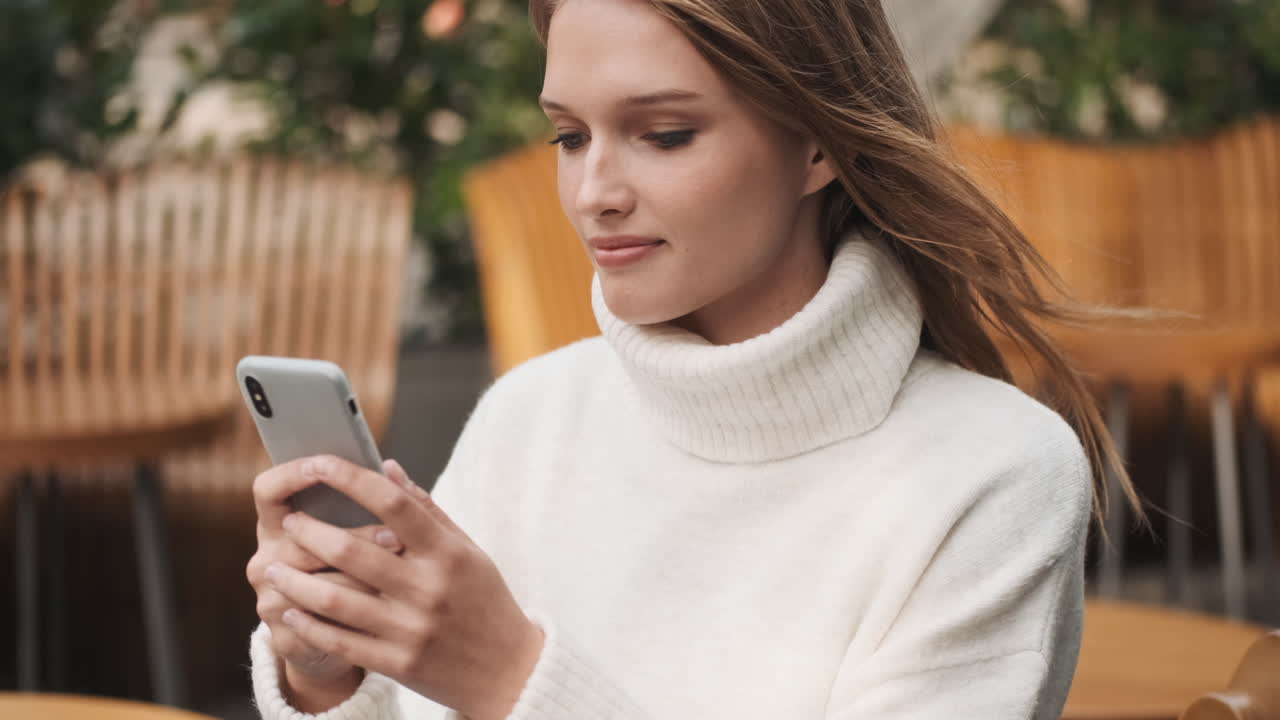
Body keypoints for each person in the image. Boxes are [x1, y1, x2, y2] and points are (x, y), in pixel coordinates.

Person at [245, 1, 1143, 718]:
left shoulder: (993, 475)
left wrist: (511, 681)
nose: (594, 193)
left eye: (665, 134)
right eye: (570, 136)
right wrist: (331, 677)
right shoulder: (532, 415)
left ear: (820, 142)